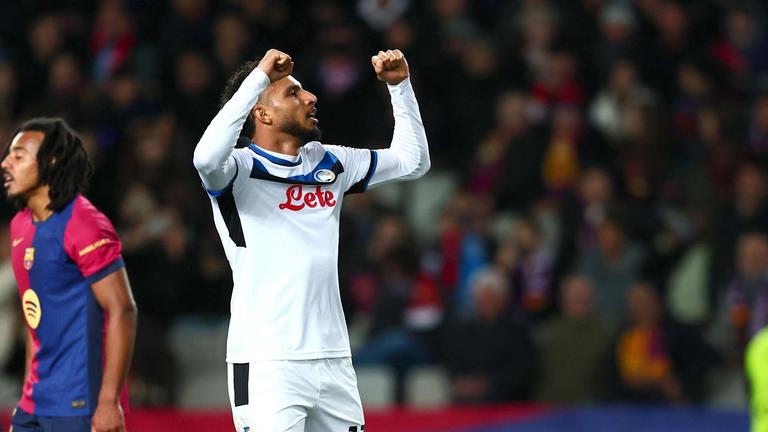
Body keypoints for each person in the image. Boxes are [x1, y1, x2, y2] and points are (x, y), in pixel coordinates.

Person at [193, 48, 429, 431]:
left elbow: (413, 162)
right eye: (292, 93)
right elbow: (204, 159)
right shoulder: (238, 170)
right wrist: (260, 76)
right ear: (262, 114)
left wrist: (400, 88)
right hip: (268, 361)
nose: (310, 97)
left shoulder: (329, 162)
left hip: (333, 357)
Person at [1, 118, 137, 432]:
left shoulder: (84, 223)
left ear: (51, 161)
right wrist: (26, 397)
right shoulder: (20, 226)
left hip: (80, 402)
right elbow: (35, 322)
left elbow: (122, 309)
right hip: (36, 400)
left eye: (18, 155)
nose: (6, 163)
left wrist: (107, 401)